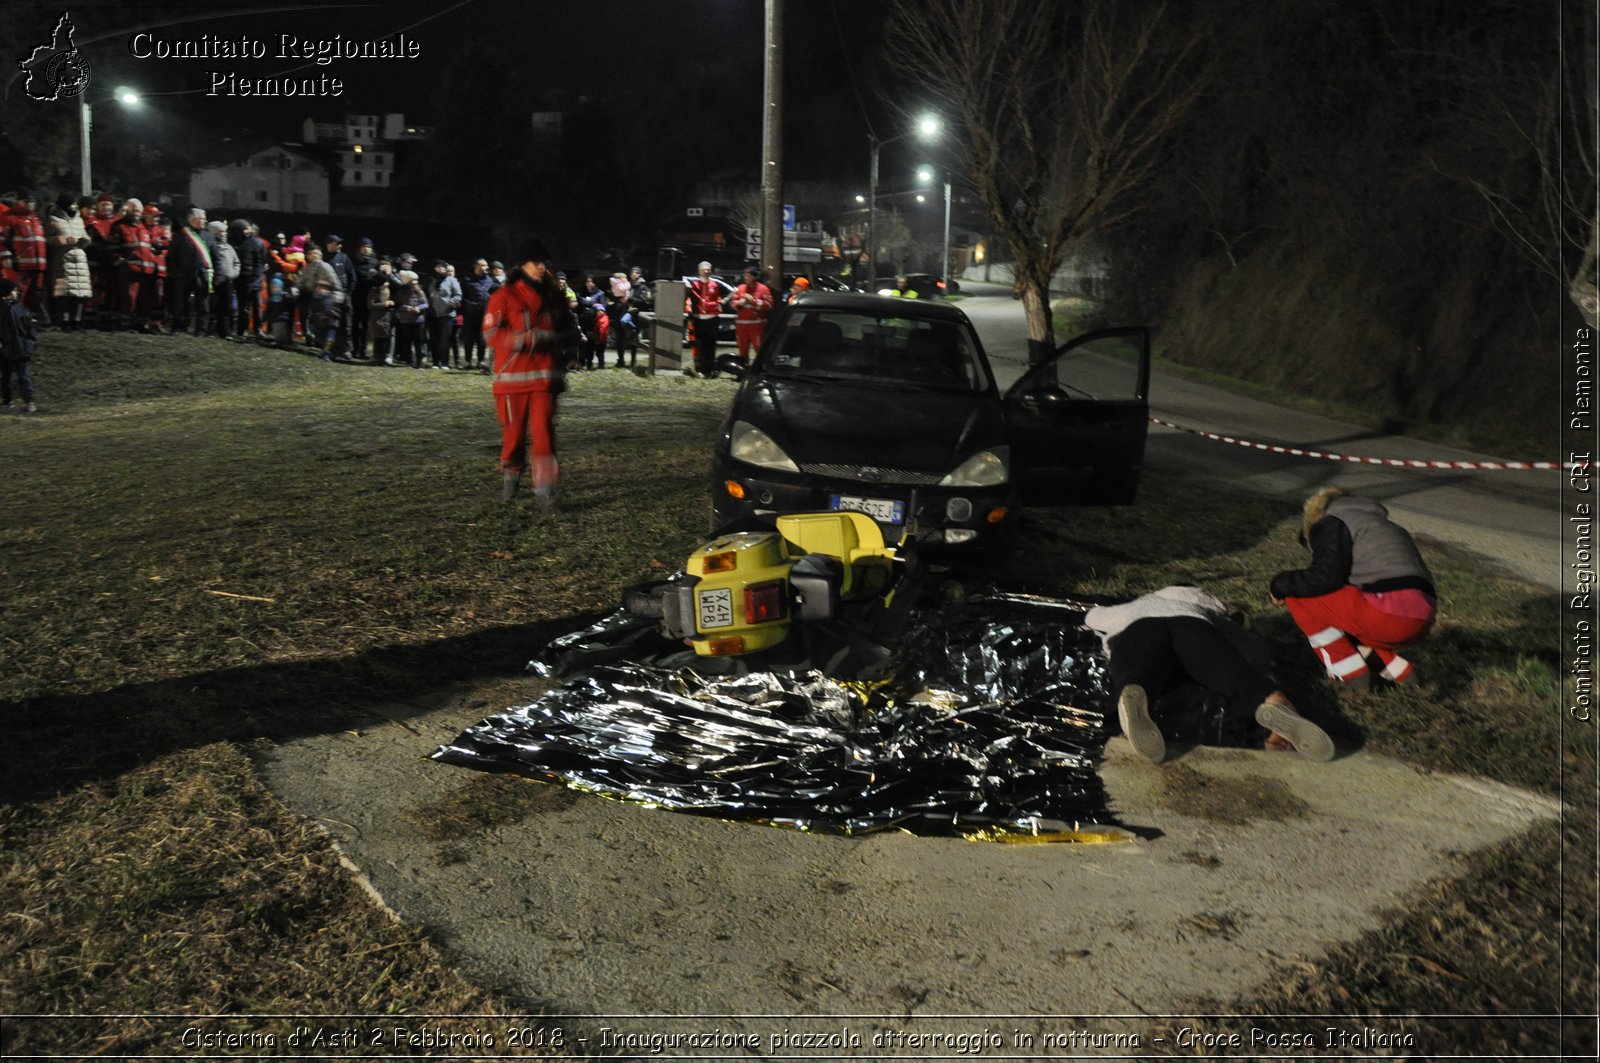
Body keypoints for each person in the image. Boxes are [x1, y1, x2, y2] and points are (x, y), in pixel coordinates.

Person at [1085, 586, 1335, 762]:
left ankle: (1132, 692)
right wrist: (1263, 678)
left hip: (1138, 628)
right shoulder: (1204, 612)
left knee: (1138, 667)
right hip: (1193, 628)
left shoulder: (1136, 606)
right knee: (1225, 670)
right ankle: (1271, 700)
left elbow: (1093, 617)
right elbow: (1247, 647)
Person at [1270, 487, 1437, 690]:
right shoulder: (1381, 525)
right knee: (1341, 615)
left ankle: (1349, 674)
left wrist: (1280, 584)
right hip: (1423, 617)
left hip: (1389, 615)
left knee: (1300, 593)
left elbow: (1322, 579)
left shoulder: (1332, 522)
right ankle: (1397, 669)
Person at [484, 238, 578, 510]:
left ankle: (546, 493)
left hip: (545, 379)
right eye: (536, 261)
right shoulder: (503, 296)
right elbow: (491, 334)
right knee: (513, 437)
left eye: (543, 262)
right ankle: (511, 478)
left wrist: (569, 349)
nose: (541, 267)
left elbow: (570, 329)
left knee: (544, 435)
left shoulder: (555, 297)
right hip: (512, 381)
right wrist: (525, 339)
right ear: (522, 265)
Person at [45, 193, 92, 331]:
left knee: (80, 292)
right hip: (62, 259)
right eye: (72, 204)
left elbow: (83, 234)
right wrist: (63, 240)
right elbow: (47, 239)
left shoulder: (78, 220)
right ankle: (64, 321)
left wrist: (86, 239)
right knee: (64, 292)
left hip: (79, 258)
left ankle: (76, 321)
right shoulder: (53, 220)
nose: (75, 206)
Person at [2, 191, 49, 323]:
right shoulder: (10, 218)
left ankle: (28, 320)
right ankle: (15, 320)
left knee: (36, 294)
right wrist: (6, 258)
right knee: (19, 293)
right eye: (26, 201)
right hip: (21, 264)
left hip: (38, 265)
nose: (30, 204)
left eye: (32, 202)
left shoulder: (36, 220)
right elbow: (2, 241)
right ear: (19, 202)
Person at [0, 277, 39, 412]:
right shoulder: (2, 309)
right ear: (6, 292)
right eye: (14, 290)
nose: (17, 292)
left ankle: (29, 401)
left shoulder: (21, 308)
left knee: (23, 376)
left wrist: (31, 338)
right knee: (6, 377)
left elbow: (31, 323)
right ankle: (7, 401)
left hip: (21, 347)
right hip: (6, 348)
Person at [730, 264, 774, 364]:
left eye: (749, 275)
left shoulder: (763, 289)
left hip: (756, 325)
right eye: (745, 275)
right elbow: (732, 303)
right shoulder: (740, 288)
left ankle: (761, 369)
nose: (746, 278)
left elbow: (769, 305)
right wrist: (740, 303)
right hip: (741, 325)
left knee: (759, 348)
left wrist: (753, 301)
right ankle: (743, 370)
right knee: (742, 349)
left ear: (755, 276)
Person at [686, 260, 722, 377]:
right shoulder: (694, 284)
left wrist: (720, 304)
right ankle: (700, 369)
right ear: (699, 271)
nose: (706, 272)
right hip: (698, 318)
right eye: (703, 269)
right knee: (700, 345)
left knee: (710, 345)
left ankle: (709, 369)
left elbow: (731, 292)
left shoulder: (715, 284)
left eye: (708, 269)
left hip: (712, 318)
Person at [459, 257, 495, 371]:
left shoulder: (490, 280)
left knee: (482, 339)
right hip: (470, 314)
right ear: (477, 266)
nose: (487, 267)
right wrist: (468, 306)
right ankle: (467, 361)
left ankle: (480, 361)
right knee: (469, 338)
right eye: (484, 265)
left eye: (487, 265)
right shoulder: (467, 279)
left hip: (485, 314)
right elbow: (462, 296)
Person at [425, 259, 461, 369]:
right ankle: (435, 362)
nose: (441, 269)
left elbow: (458, 295)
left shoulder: (451, 280)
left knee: (445, 339)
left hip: (447, 314)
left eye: (443, 267)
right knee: (434, 339)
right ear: (435, 268)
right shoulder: (431, 280)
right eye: (438, 267)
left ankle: (444, 362)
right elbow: (426, 294)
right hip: (433, 313)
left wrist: (450, 303)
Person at [206, 220, 240, 339]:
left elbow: (236, 262)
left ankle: (224, 331)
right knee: (213, 307)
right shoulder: (210, 247)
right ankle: (211, 331)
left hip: (227, 281)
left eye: (225, 232)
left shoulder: (229, 247)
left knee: (226, 307)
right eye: (222, 232)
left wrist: (233, 273)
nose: (225, 234)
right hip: (214, 281)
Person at [350, 237, 379, 358]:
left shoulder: (375, 262)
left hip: (369, 298)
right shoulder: (353, 261)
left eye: (369, 247)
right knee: (355, 323)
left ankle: (364, 350)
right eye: (364, 247)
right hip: (356, 297)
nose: (366, 249)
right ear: (359, 248)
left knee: (366, 325)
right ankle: (355, 348)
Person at [393, 268, 427, 367]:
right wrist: (405, 308)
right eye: (412, 282)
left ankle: (419, 361)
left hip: (418, 320)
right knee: (407, 341)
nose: (414, 284)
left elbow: (426, 304)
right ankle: (409, 360)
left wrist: (419, 308)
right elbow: (397, 304)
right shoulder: (402, 292)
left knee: (418, 341)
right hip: (406, 320)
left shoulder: (420, 292)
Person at [366, 256, 396, 364]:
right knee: (378, 338)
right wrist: (384, 304)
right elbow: (370, 304)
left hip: (387, 317)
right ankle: (377, 357)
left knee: (385, 338)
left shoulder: (389, 288)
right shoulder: (374, 290)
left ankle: (384, 357)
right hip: (377, 317)